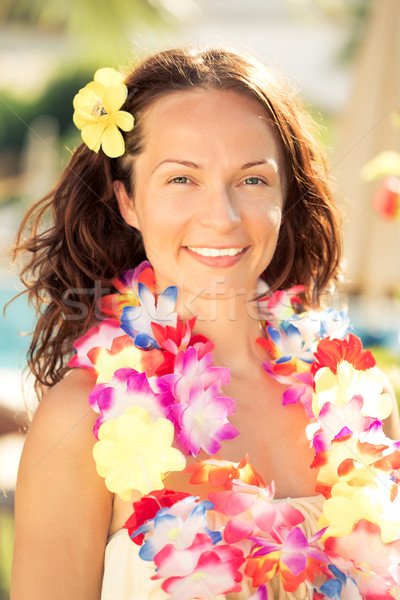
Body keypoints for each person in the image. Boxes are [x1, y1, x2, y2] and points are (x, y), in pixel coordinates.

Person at [10, 47, 400, 600]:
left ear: (285, 195)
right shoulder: (79, 422)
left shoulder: (361, 397)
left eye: (253, 180)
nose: (222, 216)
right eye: (181, 179)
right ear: (127, 200)